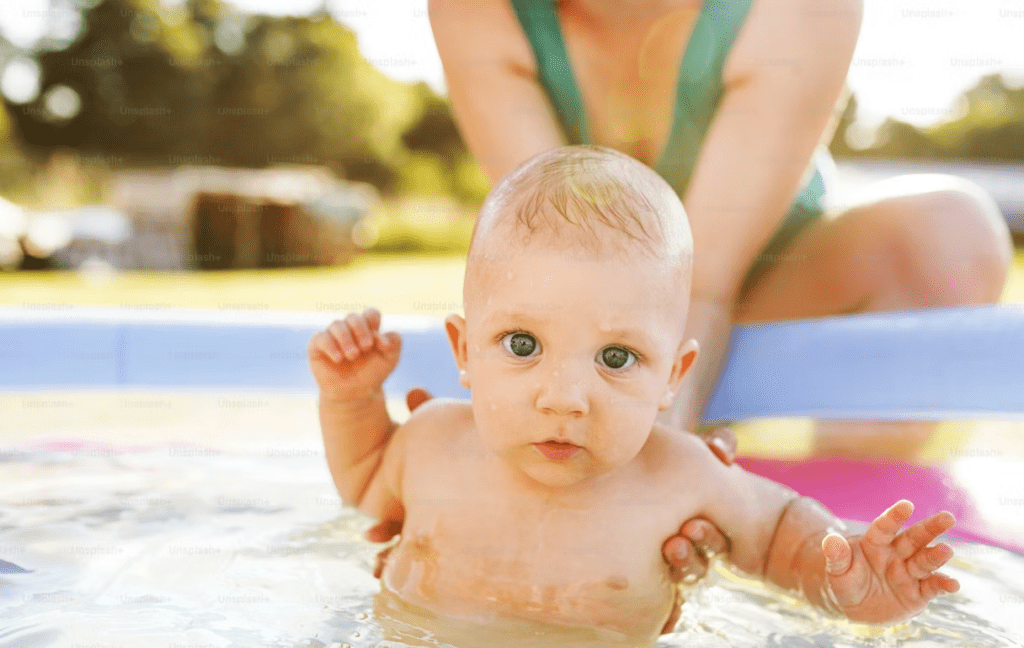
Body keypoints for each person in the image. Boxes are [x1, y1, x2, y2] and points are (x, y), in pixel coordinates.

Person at [426, 0, 1012, 587]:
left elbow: (702, 287)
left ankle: (840, 530)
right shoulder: (476, 10)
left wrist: (647, 490)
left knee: (949, 233)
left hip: (775, 290)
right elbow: (549, 259)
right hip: (592, 331)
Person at [308, 146, 960, 641]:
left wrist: (847, 579)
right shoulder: (431, 444)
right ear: (463, 351)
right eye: (523, 344)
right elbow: (363, 483)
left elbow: (779, 531)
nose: (564, 398)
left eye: (616, 358)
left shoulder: (680, 476)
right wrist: (350, 401)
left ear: (671, 378)